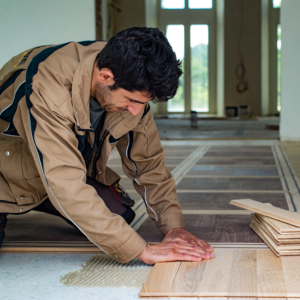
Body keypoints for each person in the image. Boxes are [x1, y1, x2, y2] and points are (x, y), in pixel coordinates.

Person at [0, 27, 214, 264]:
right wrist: (143, 251)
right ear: (104, 77)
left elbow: (149, 165)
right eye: (132, 100)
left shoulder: (126, 71)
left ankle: (49, 199)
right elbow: (64, 181)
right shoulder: (47, 90)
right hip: (8, 173)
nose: (136, 110)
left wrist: (174, 227)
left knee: (119, 217)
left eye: (143, 102)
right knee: (117, 237)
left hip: (58, 165)